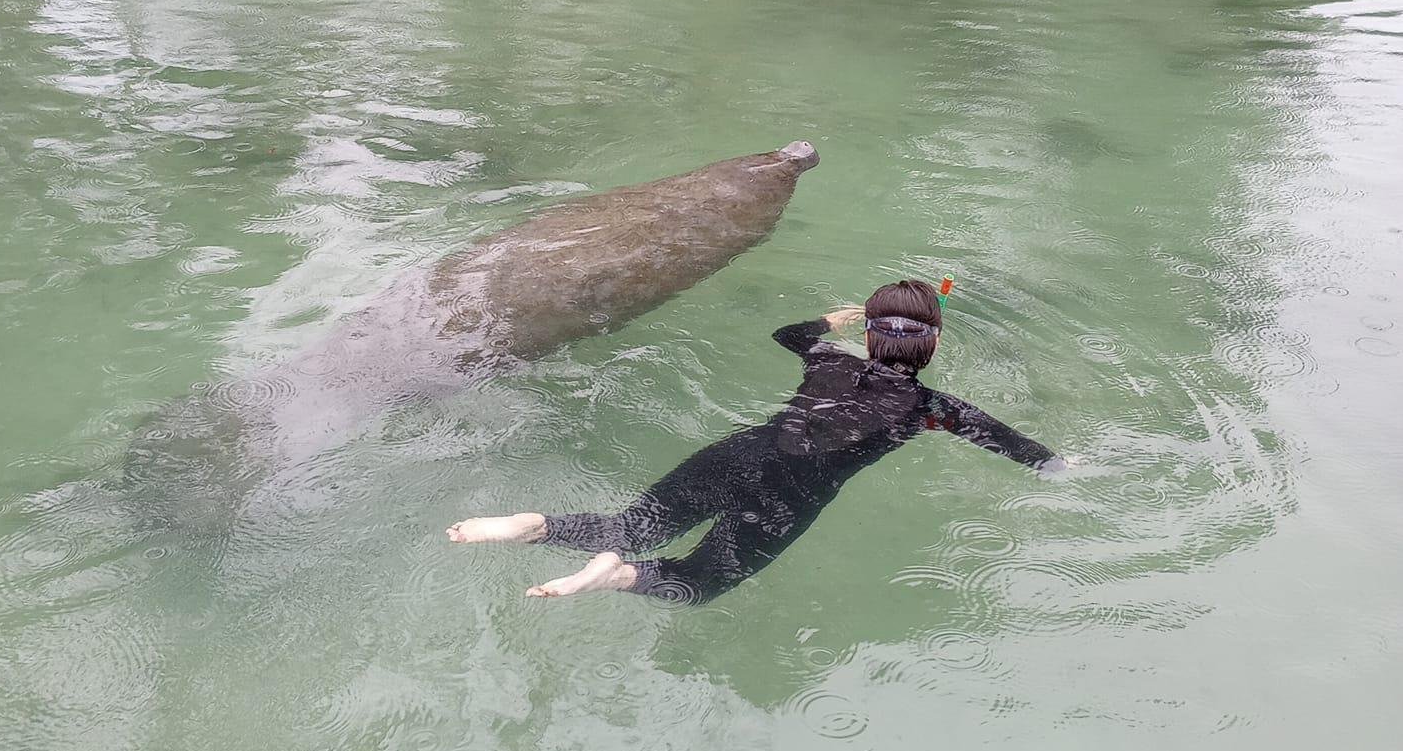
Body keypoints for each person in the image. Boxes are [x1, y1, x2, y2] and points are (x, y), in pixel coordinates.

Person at [447, 278, 1069, 601]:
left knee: (627, 527)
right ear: (929, 344)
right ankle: (614, 581)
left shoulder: (828, 357)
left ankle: (532, 525)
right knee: (701, 583)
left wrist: (837, 318)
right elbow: (1025, 453)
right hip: (791, 494)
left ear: (870, 335)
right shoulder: (936, 409)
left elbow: (788, 332)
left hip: (741, 454)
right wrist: (1066, 467)